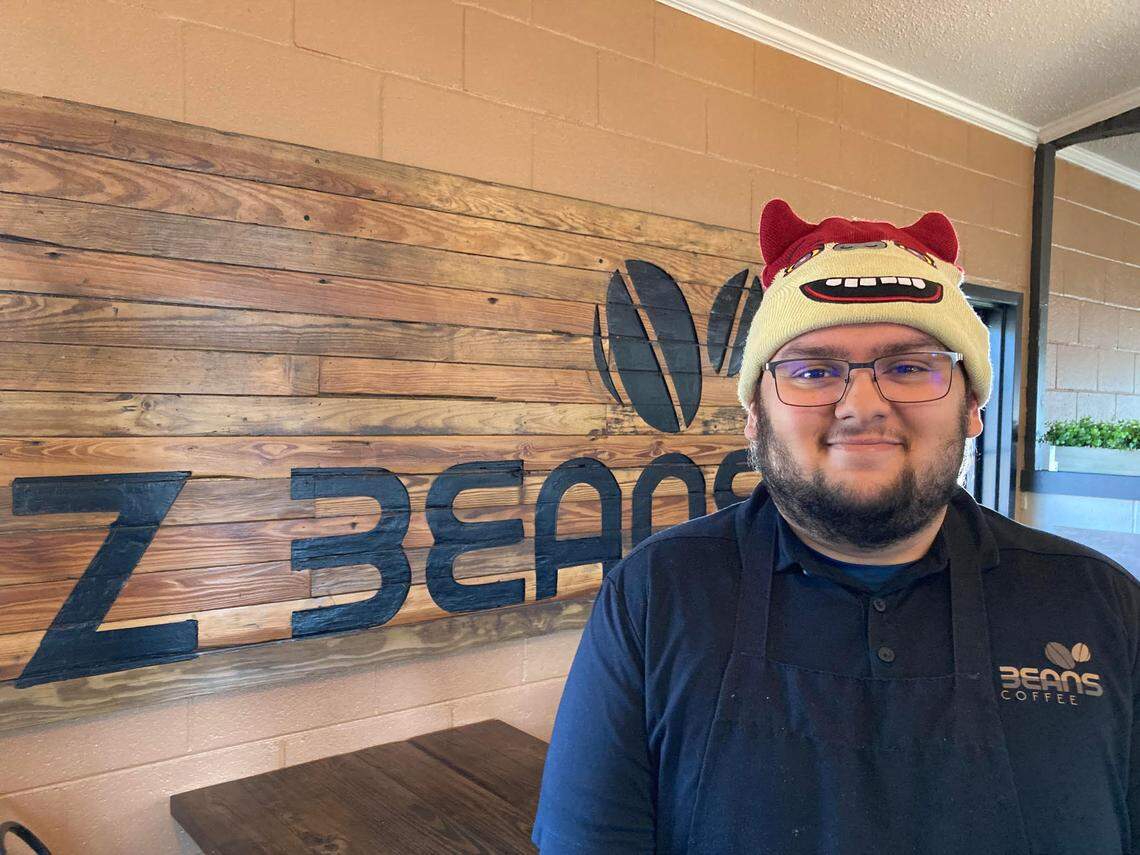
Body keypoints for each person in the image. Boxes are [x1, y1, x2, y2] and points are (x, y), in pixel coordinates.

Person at [532, 198, 1140, 854]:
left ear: (971, 408)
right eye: (814, 370)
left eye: (909, 366)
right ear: (754, 417)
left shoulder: (1103, 607)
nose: (862, 405)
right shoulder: (654, 598)